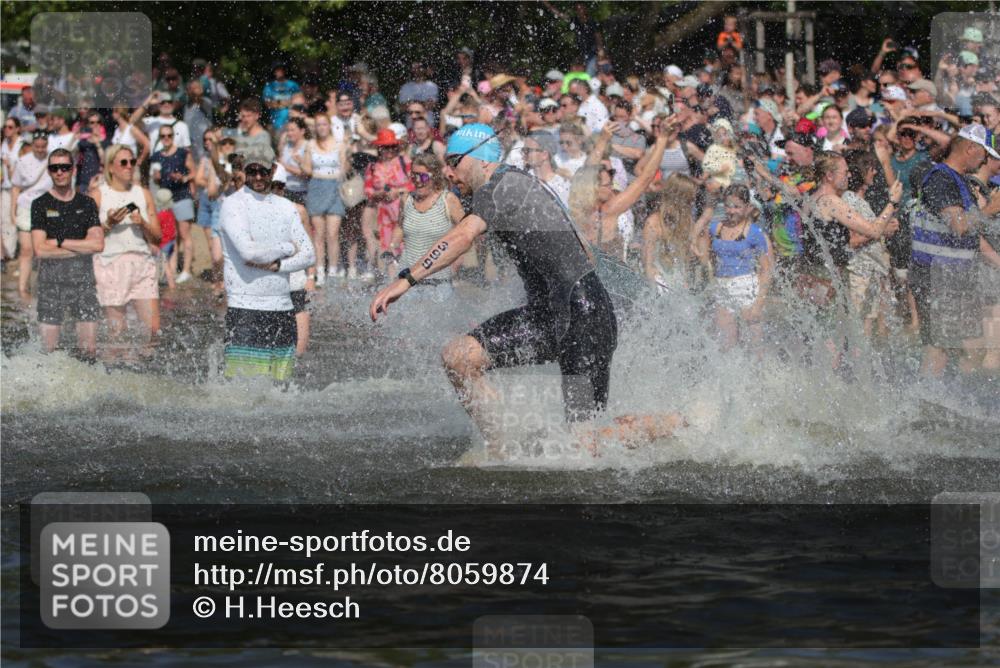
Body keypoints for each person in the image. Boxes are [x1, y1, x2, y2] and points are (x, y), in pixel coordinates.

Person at [369, 124, 687, 458]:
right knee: (459, 357)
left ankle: (677, 423)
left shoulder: (501, 186)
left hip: (584, 319)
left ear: (479, 158)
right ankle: (500, 449)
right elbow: (584, 250)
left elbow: (463, 237)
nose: (447, 172)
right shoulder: (516, 186)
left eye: (453, 161)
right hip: (549, 317)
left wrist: (405, 280)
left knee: (584, 446)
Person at [218, 150, 315, 382]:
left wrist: (278, 266)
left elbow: (309, 254)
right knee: (243, 390)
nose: (258, 177)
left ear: (272, 170)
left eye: (263, 171)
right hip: (246, 308)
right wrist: (288, 248)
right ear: (244, 172)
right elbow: (248, 252)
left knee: (280, 390)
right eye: (252, 171)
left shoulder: (286, 206)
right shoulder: (233, 204)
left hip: (282, 308)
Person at [910, 124, 998, 376]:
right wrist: (990, 209)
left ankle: (951, 402)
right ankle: (926, 404)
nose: (985, 162)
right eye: (985, 154)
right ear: (971, 148)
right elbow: (959, 225)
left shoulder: (957, 180)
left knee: (971, 348)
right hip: (936, 275)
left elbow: (971, 236)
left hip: (954, 276)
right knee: (939, 347)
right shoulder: (940, 177)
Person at [29, 149, 104, 358]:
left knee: (89, 351)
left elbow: (98, 244)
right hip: (51, 285)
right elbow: (40, 250)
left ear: (74, 170)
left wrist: (60, 242)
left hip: (83, 282)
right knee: (49, 352)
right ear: (49, 171)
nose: (60, 172)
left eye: (65, 167)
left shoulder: (87, 203)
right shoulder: (40, 204)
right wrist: (81, 248)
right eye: (54, 168)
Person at [90, 145, 161, 356]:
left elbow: (157, 237)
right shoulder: (98, 195)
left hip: (142, 263)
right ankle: (115, 377)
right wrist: (109, 223)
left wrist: (143, 224)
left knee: (153, 330)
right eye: (123, 162)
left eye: (131, 161)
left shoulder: (143, 193)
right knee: (118, 333)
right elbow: (87, 237)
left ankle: (146, 373)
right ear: (111, 167)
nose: (129, 166)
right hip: (111, 265)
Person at [693, 183, 773, 351]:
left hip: (746, 287)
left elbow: (766, 269)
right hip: (722, 287)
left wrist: (759, 303)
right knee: (725, 345)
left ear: (747, 207)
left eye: (737, 206)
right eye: (728, 206)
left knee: (754, 345)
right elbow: (702, 250)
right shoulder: (716, 228)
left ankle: (758, 374)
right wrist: (697, 247)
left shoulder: (754, 233)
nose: (731, 211)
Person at [389, 153, 464, 302]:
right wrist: (391, 248)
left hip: (439, 284)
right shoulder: (407, 199)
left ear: (435, 176)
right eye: (414, 176)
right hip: (406, 281)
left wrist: (456, 264)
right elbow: (400, 227)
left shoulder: (448, 200)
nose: (418, 181)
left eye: (423, 176)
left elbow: (465, 234)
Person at [842, 150, 895, 339]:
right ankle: (851, 366)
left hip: (871, 272)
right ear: (860, 172)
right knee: (857, 328)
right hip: (859, 273)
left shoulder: (862, 200)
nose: (874, 172)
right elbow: (851, 240)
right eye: (871, 168)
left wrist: (883, 230)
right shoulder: (849, 200)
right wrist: (881, 230)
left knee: (868, 326)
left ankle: (862, 366)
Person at [150, 124, 196, 283]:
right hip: (165, 199)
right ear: (160, 138)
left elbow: (193, 172)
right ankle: (174, 269)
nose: (166, 138)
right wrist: (155, 177)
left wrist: (183, 178)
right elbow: (155, 178)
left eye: (169, 135)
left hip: (182, 195)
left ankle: (186, 270)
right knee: (170, 236)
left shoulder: (183, 153)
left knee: (185, 234)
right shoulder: (156, 156)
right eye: (163, 136)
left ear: (173, 136)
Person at [306, 114, 349, 282]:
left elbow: (344, 166)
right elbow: (307, 168)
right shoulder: (310, 144)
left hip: (335, 187)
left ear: (329, 126)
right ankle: (320, 270)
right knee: (319, 234)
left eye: (324, 124)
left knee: (333, 233)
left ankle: (332, 269)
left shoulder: (340, 144)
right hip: (317, 186)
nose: (321, 127)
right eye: (318, 125)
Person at [10, 131, 53, 298]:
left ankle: (41, 287)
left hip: (47, 208)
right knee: (26, 250)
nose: (40, 150)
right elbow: (15, 187)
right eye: (37, 146)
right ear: (32, 145)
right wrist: (12, 210)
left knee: (43, 250)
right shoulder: (23, 161)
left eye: (43, 146)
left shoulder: (53, 160)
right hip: (26, 206)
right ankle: (23, 288)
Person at [642, 172, 700, 292]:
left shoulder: (686, 222)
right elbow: (648, 265)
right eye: (689, 201)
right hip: (659, 282)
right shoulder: (653, 223)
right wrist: (660, 286)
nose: (692, 205)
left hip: (678, 281)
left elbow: (685, 263)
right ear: (677, 199)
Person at [364, 129, 413, 270]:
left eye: (392, 147)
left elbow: (415, 183)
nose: (389, 150)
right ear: (379, 148)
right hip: (383, 212)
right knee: (385, 245)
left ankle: (407, 274)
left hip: (403, 208)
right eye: (385, 147)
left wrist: (398, 191)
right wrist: (379, 194)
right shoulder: (373, 166)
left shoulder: (405, 162)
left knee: (405, 242)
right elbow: (367, 190)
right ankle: (389, 279)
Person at [522, 131, 571, 205]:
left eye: (528, 150)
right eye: (523, 150)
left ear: (544, 155)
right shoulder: (523, 180)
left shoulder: (561, 186)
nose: (523, 155)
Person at [1, 117, 23, 261]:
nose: (6, 130)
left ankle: (14, 251)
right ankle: (8, 253)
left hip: (20, 189)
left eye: (10, 127)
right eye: (5, 127)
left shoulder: (22, 145)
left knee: (17, 219)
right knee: (5, 219)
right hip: (5, 186)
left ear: (17, 129)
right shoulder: (3, 144)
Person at [277, 117, 311, 205]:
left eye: (292, 130)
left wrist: (286, 167)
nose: (289, 133)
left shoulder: (308, 147)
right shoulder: (287, 146)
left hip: (303, 192)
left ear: (302, 131)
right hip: (286, 190)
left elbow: (307, 174)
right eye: (287, 130)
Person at [263, 62, 301, 133]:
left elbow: (299, 100)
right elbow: (268, 104)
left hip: (292, 123)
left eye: (280, 70)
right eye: (276, 70)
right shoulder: (269, 86)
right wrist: (288, 103)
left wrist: (278, 103)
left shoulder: (293, 85)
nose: (278, 72)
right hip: (276, 124)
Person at [153, 187, 178, 290]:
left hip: (164, 243)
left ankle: (171, 284)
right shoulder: (170, 212)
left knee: (165, 263)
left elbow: (157, 230)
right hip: (172, 241)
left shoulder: (160, 216)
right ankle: (172, 280)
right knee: (171, 262)